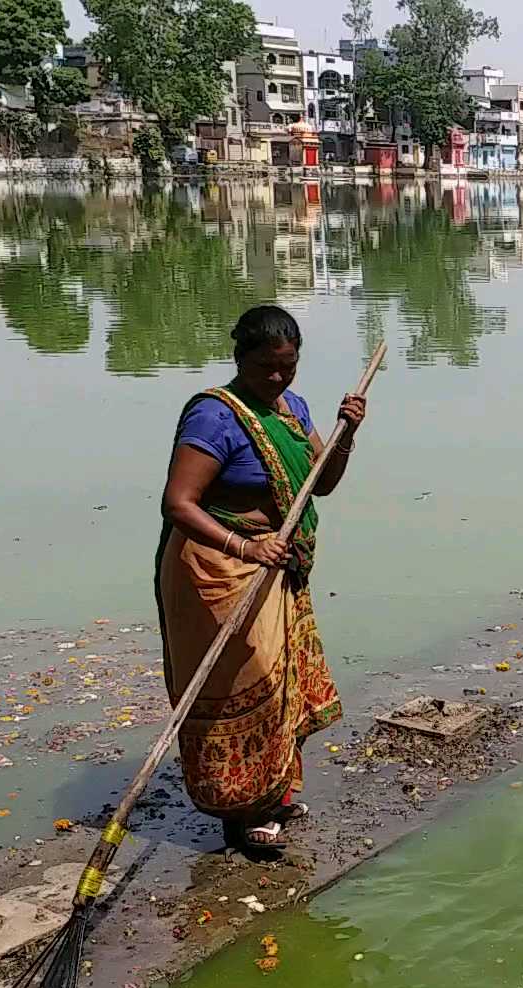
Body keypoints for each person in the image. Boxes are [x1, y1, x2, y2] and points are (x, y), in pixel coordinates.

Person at [156, 305, 366, 856]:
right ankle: (239, 811)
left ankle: (272, 793)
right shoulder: (215, 416)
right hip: (216, 571)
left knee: (280, 684)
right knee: (240, 688)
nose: (276, 378)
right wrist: (244, 546)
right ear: (239, 359)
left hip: (275, 564)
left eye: (287, 366)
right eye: (265, 367)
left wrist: (347, 434)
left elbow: (319, 486)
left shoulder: (292, 409)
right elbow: (178, 503)